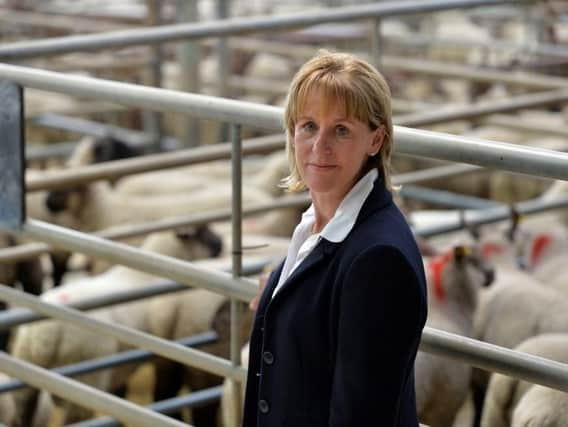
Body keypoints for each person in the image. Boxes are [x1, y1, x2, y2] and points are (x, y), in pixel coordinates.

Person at [243, 51, 428, 427]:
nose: (320, 145)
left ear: (375, 139)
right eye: (309, 125)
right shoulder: (316, 228)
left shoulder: (379, 261)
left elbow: (360, 417)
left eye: (341, 129)